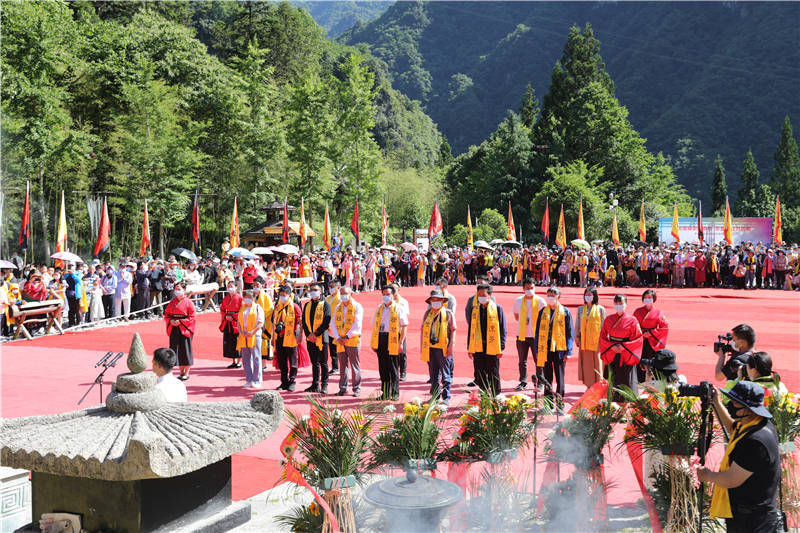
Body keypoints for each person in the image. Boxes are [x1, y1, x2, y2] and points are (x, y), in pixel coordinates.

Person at [697, 381, 781, 533]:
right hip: (747, 515)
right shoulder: (756, 423)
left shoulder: (755, 441)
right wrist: (716, 402)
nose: (731, 405)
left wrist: (708, 475)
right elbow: (732, 428)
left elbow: (732, 479)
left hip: (754, 521)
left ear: (748, 409)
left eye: (735, 403)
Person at [533, 286, 574, 408]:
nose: (550, 298)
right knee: (547, 376)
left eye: (553, 296)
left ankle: (560, 403)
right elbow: (537, 331)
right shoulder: (543, 311)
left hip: (559, 349)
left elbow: (569, 332)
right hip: (545, 347)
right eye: (549, 295)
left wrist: (569, 350)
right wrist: (536, 348)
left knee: (560, 376)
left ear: (558, 297)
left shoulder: (565, 312)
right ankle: (548, 403)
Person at [598, 294, 643, 397]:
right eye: (617, 304)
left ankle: (628, 400)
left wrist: (625, 347)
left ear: (626, 304)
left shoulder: (632, 320)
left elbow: (638, 338)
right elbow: (603, 336)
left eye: (621, 303)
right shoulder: (608, 319)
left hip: (626, 353)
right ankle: (612, 400)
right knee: (613, 379)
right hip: (612, 352)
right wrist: (611, 346)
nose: (619, 306)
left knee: (627, 380)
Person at [467, 283, 506, 394]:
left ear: (489, 295)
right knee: (479, 372)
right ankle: (483, 394)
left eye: (483, 295)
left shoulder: (497, 309)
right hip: (478, 346)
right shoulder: (475, 309)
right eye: (479, 295)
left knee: (493, 372)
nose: (481, 297)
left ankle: (495, 396)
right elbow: (471, 329)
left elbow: (503, 328)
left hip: (492, 345)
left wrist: (501, 347)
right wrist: (469, 347)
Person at [370, 285, 408, 400]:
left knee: (393, 367)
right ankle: (385, 392)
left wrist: (401, 342)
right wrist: (374, 342)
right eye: (384, 294)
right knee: (383, 368)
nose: (386, 296)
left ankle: (395, 393)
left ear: (393, 295)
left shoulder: (399, 308)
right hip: (381, 338)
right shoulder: (379, 308)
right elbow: (374, 325)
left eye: (388, 294)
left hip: (393, 338)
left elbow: (404, 326)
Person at [421, 289, 457, 405]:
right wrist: (422, 346)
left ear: (442, 301)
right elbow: (423, 331)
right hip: (430, 347)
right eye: (433, 300)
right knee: (433, 373)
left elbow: (453, 330)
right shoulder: (427, 314)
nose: (435, 302)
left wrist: (451, 345)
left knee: (445, 373)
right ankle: (435, 396)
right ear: (430, 301)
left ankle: (446, 397)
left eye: (438, 300)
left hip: (443, 347)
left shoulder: (448, 313)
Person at [330, 285, 363, 397]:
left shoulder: (357, 306)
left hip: (352, 340)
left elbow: (357, 324)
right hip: (340, 340)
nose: (344, 296)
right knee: (342, 365)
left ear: (351, 294)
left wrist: (347, 337)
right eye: (342, 294)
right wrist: (337, 336)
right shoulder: (338, 307)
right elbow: (333, 323)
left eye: (346, 294)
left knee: (355, 365)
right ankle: (343, 388)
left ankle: (356, 388)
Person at [513, 278, 546, 390]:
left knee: (539, 360)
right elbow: (517, 317)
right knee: (522, 360)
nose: (530, 290)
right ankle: (523, 381)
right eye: (527, 288)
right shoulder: (518, 301)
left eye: (532, 288)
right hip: (522, 335)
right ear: (523, 289)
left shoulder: (541, 302)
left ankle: (540, 382)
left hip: (536, 336)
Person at [633, 289, 669, 383]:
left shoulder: (658, 312)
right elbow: (633, 325)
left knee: (653, 363)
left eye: (649, 298)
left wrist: (652, 333)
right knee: (639, 361)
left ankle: (654, 384)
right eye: (645, 298)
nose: (647, 299)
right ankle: (639, 383)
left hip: (652, 340)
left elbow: (664, 327)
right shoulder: (637, 311)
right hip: (640, 340)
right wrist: (641, 333)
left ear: (654, 299)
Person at [271, 285, 302, 392]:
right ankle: (284, 382)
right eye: (280, 295)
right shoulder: (277, 307)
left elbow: (300, 322)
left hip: (291, 337)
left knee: (293, 361)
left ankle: (292, 382)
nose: (282, 297)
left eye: (284, 295)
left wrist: (299, 334)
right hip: (279, 338)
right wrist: (272, 337)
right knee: (282, 361)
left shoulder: (294, 307)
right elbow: (273, 322)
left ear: (289, 295)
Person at [302, 282, 332, 394]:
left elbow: (326, 322)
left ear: (320, 291)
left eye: (315, 290)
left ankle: (324, 385)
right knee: (314, 363)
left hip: (321, 338)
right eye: (311, 290)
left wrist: (316, 334)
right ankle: (315, 384)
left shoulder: (325, 305)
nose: (313, 292)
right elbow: (304, 321)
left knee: (323, 363)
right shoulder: (307, 305)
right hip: (310, 338)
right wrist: (308, 334)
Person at [163, 282, 196, 381]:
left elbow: (192, 317)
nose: (177, 290)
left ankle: (187, 372)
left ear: (184, 290)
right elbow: (167, 315)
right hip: (174, 327)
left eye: (179, 288)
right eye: (176, 288)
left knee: (185, 349)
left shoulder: (189, 302)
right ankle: (181, 371)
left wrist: (181, 321)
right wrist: (171, 321)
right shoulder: (172, 302)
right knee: (175, 349)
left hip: (185, 328)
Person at [575, 286, 606, 388]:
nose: (588, 297)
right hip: (584, 341)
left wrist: (604, 339)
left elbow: (604, 325)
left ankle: (598, 385)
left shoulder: (600, 309)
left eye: (590, 295)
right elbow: (578, 324)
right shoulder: (580, 309)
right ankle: (589, 386)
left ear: (594, 296)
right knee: (587, 364)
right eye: (586, 295)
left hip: (597, 341)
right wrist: (577, 337)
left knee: (597, 363)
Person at [237, 289, 265, 388]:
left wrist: (252, 332)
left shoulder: (258, 308)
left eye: (249, 297)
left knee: (256, 357)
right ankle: (249, 379)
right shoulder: (242, 308)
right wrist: (241, 332)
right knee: (245, 358)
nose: (247, 299)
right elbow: (239, 322)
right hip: (244, 336)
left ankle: (257, 379)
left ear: (253, 298)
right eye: (245, 297)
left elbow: (260, 323)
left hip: (254, 335)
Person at [219, 281, 242, 368]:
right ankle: (234, 360)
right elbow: (222, 309)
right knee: (230, 341)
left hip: (236, 322)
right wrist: (226, 316)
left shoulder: (240, 298)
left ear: (236, 287)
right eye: (228, 286)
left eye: (231, 286)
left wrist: (233, 316)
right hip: (227, 322)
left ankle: (239, 361)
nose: (229, 288)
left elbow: (242, 311)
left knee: (237, 341)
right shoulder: (225, 298)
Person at [326, 279, 341, 374]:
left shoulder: (340, 299)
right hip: (329, 327)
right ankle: (335, 367)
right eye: (329, 287)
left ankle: (341, 367)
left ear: (338, 287)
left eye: (332, 287)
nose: (330, 289)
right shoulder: (328, 298)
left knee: (338, 348)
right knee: (332, 348)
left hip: (337, 327)